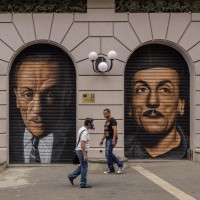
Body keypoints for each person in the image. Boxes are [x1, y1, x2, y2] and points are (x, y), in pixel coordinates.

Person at [9, 44, 76, 163]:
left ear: (67, 96)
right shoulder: (9, 136)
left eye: (50, 94)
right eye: (27, 94)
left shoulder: (74, 136)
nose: (37, 109)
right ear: (16, 97)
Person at [125, 44, 189, 159]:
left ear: (181, 105)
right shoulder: (122, 148)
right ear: (130, 107)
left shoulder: (192, 147)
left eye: (165, 90)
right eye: (142, 90)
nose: (153, 101)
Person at [68, 118, 94, 188]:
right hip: (81, 151)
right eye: (92, 123)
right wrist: (85, 154)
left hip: (79, 150)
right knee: (84, 167)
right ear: (89, 124)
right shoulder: (85, 132)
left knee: (82, 166)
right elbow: (82, 143)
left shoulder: (81, 129)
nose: (92, 125)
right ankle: (83, 183)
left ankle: (71, 176)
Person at [99, 109, 125, 174]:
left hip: (111, 139)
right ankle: (111, 169)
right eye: (103, 114)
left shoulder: (113, 120)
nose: (104, 115)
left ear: (109, 113)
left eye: (105, 113)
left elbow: (115, 130)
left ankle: (121, 165)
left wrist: (113, 139)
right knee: (107, 155)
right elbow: (106, 132)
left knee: (109, 153)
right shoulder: (106, 121)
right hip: (107, 139)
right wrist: (102, 139)